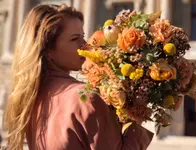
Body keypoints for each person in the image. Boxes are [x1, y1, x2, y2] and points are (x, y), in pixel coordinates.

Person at [4, 4, 153, 150]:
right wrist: (136, 114)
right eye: (74, 39)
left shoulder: (30, 98)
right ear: (48, 49)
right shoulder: (86, 98)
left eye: (82, 37)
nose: (85, 45)